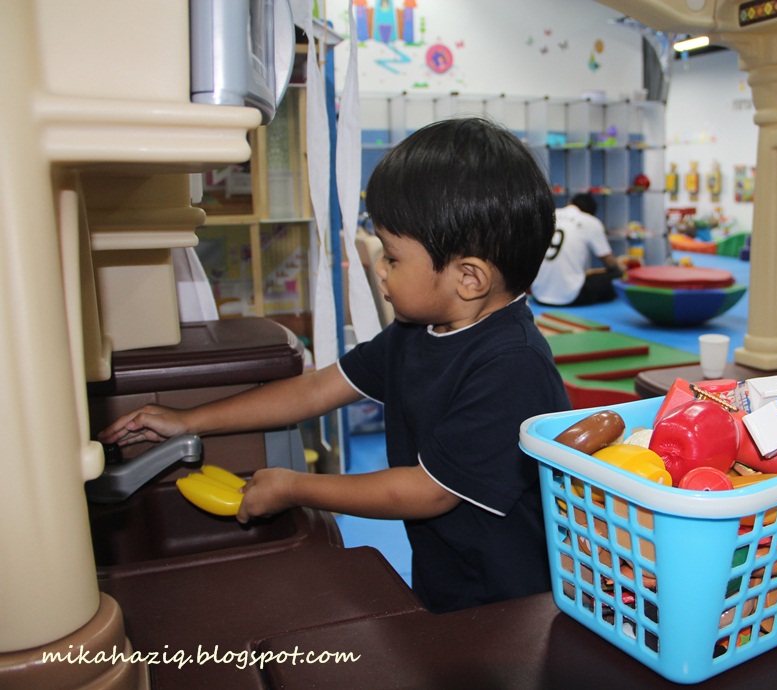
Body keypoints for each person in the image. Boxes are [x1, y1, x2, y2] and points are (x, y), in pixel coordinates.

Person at [98, 117, 571, 614]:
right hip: (449, 577)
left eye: (391, 257)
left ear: (469, 277)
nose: (380, 270)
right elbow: (317, 390)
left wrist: (294, 487)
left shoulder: (511, 364)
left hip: (517, 597)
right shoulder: (419, 331)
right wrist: (187, 420)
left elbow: (427, 491)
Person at [530, 192, 622, 306]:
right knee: (618, 275)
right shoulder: (591, 222)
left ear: (570, 203)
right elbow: (611, 264)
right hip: (571, 296)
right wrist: (622, 267)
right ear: (591, 214)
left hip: (538, 293)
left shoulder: (548, 215)